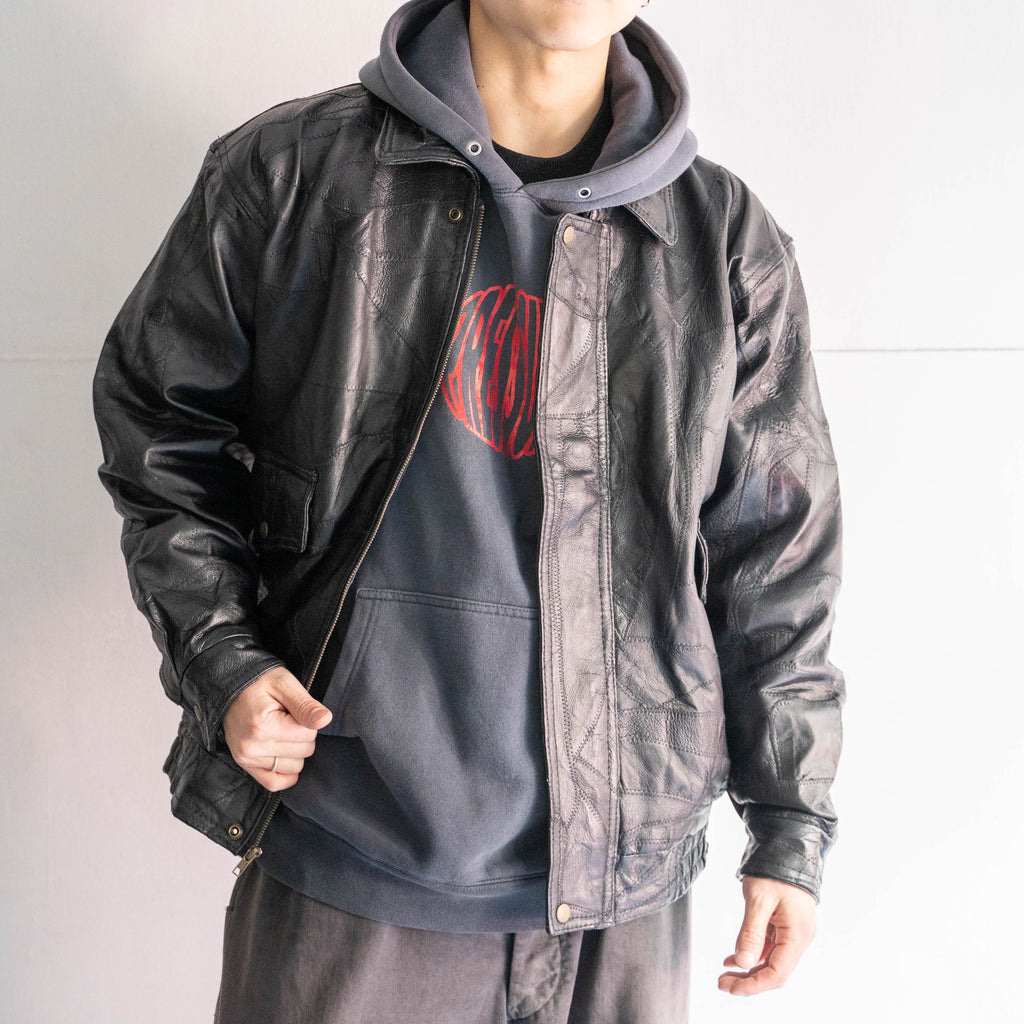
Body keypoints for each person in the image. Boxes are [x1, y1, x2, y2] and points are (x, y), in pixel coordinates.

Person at [94, 0, 844, 1019]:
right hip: (351, 865)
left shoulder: (721, 240)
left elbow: (776, 554)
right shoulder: (291, 176)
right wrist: (223, 656)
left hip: (622, 894)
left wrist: (790, 824)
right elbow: (163, 434)